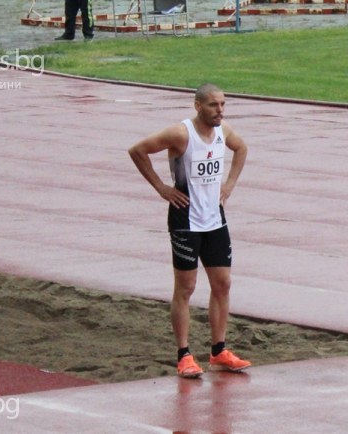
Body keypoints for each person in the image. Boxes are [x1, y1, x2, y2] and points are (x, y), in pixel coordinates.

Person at [128, 83, 251, 378]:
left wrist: (230, 184)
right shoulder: (180, 134)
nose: (219, 110)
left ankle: (219, 351)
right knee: (186, 288)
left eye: (223, 104)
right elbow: (137, 150)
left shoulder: (224, 131)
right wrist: (161, 188)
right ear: (198, 106)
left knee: (222, 284)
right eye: (213, 105)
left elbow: (242, 148)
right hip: (186, 221)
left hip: (215, 220)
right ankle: (184, 355)